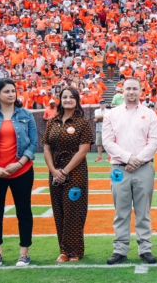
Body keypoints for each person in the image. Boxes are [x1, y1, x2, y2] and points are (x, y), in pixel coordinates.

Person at [0, 78, 38, 267]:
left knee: (24, 211)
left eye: (13, 91)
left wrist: (19, 164)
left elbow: (34, 143)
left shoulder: (26, 114)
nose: (12, 94)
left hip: (22, 171)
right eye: (7, 91)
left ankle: (24, 253)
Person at [101, 78, 157, 265]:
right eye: (128, 89)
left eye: (135, 88)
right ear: (122, 91)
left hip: (143, 168)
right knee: (121, 211)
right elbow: (108, 142)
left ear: (141, 91)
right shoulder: (112, 114)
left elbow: (153, 141)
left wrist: (137, 160)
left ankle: (145, 249)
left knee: (143, 211)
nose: (131, 92)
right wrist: (129, 158)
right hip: (119, 169)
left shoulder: (150, 114)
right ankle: (120, 249)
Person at [43, 87, 94, 263]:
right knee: (59, 211)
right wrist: (53, 171)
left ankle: (75, 251)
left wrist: (65, 171)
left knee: (74, 211)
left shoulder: (83, 123)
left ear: (77, 100)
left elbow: (83, 150)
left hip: (76, 171)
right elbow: (47, 148)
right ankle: (64, 250)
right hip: (55, 171)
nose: (68, 100)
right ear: (60, 100)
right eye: (65, 97)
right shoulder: (52, 122)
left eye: (72, 97)